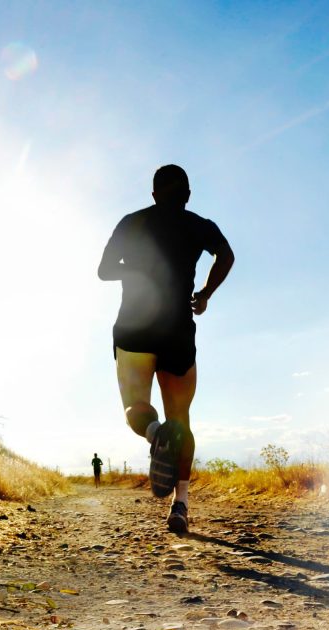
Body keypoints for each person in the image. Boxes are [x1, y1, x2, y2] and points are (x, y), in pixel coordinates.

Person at [98, 164, 234, 533]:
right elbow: (227, 256)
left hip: (134, 327)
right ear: (187, 195)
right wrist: (204, 294)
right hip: (177, 327)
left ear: (153, 193)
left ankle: (154, 432)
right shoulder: (199, 225)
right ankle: (181, 505)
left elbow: (104, 270)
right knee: (182, 419)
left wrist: (137, 272)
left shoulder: (132, 222)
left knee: (135, 408)